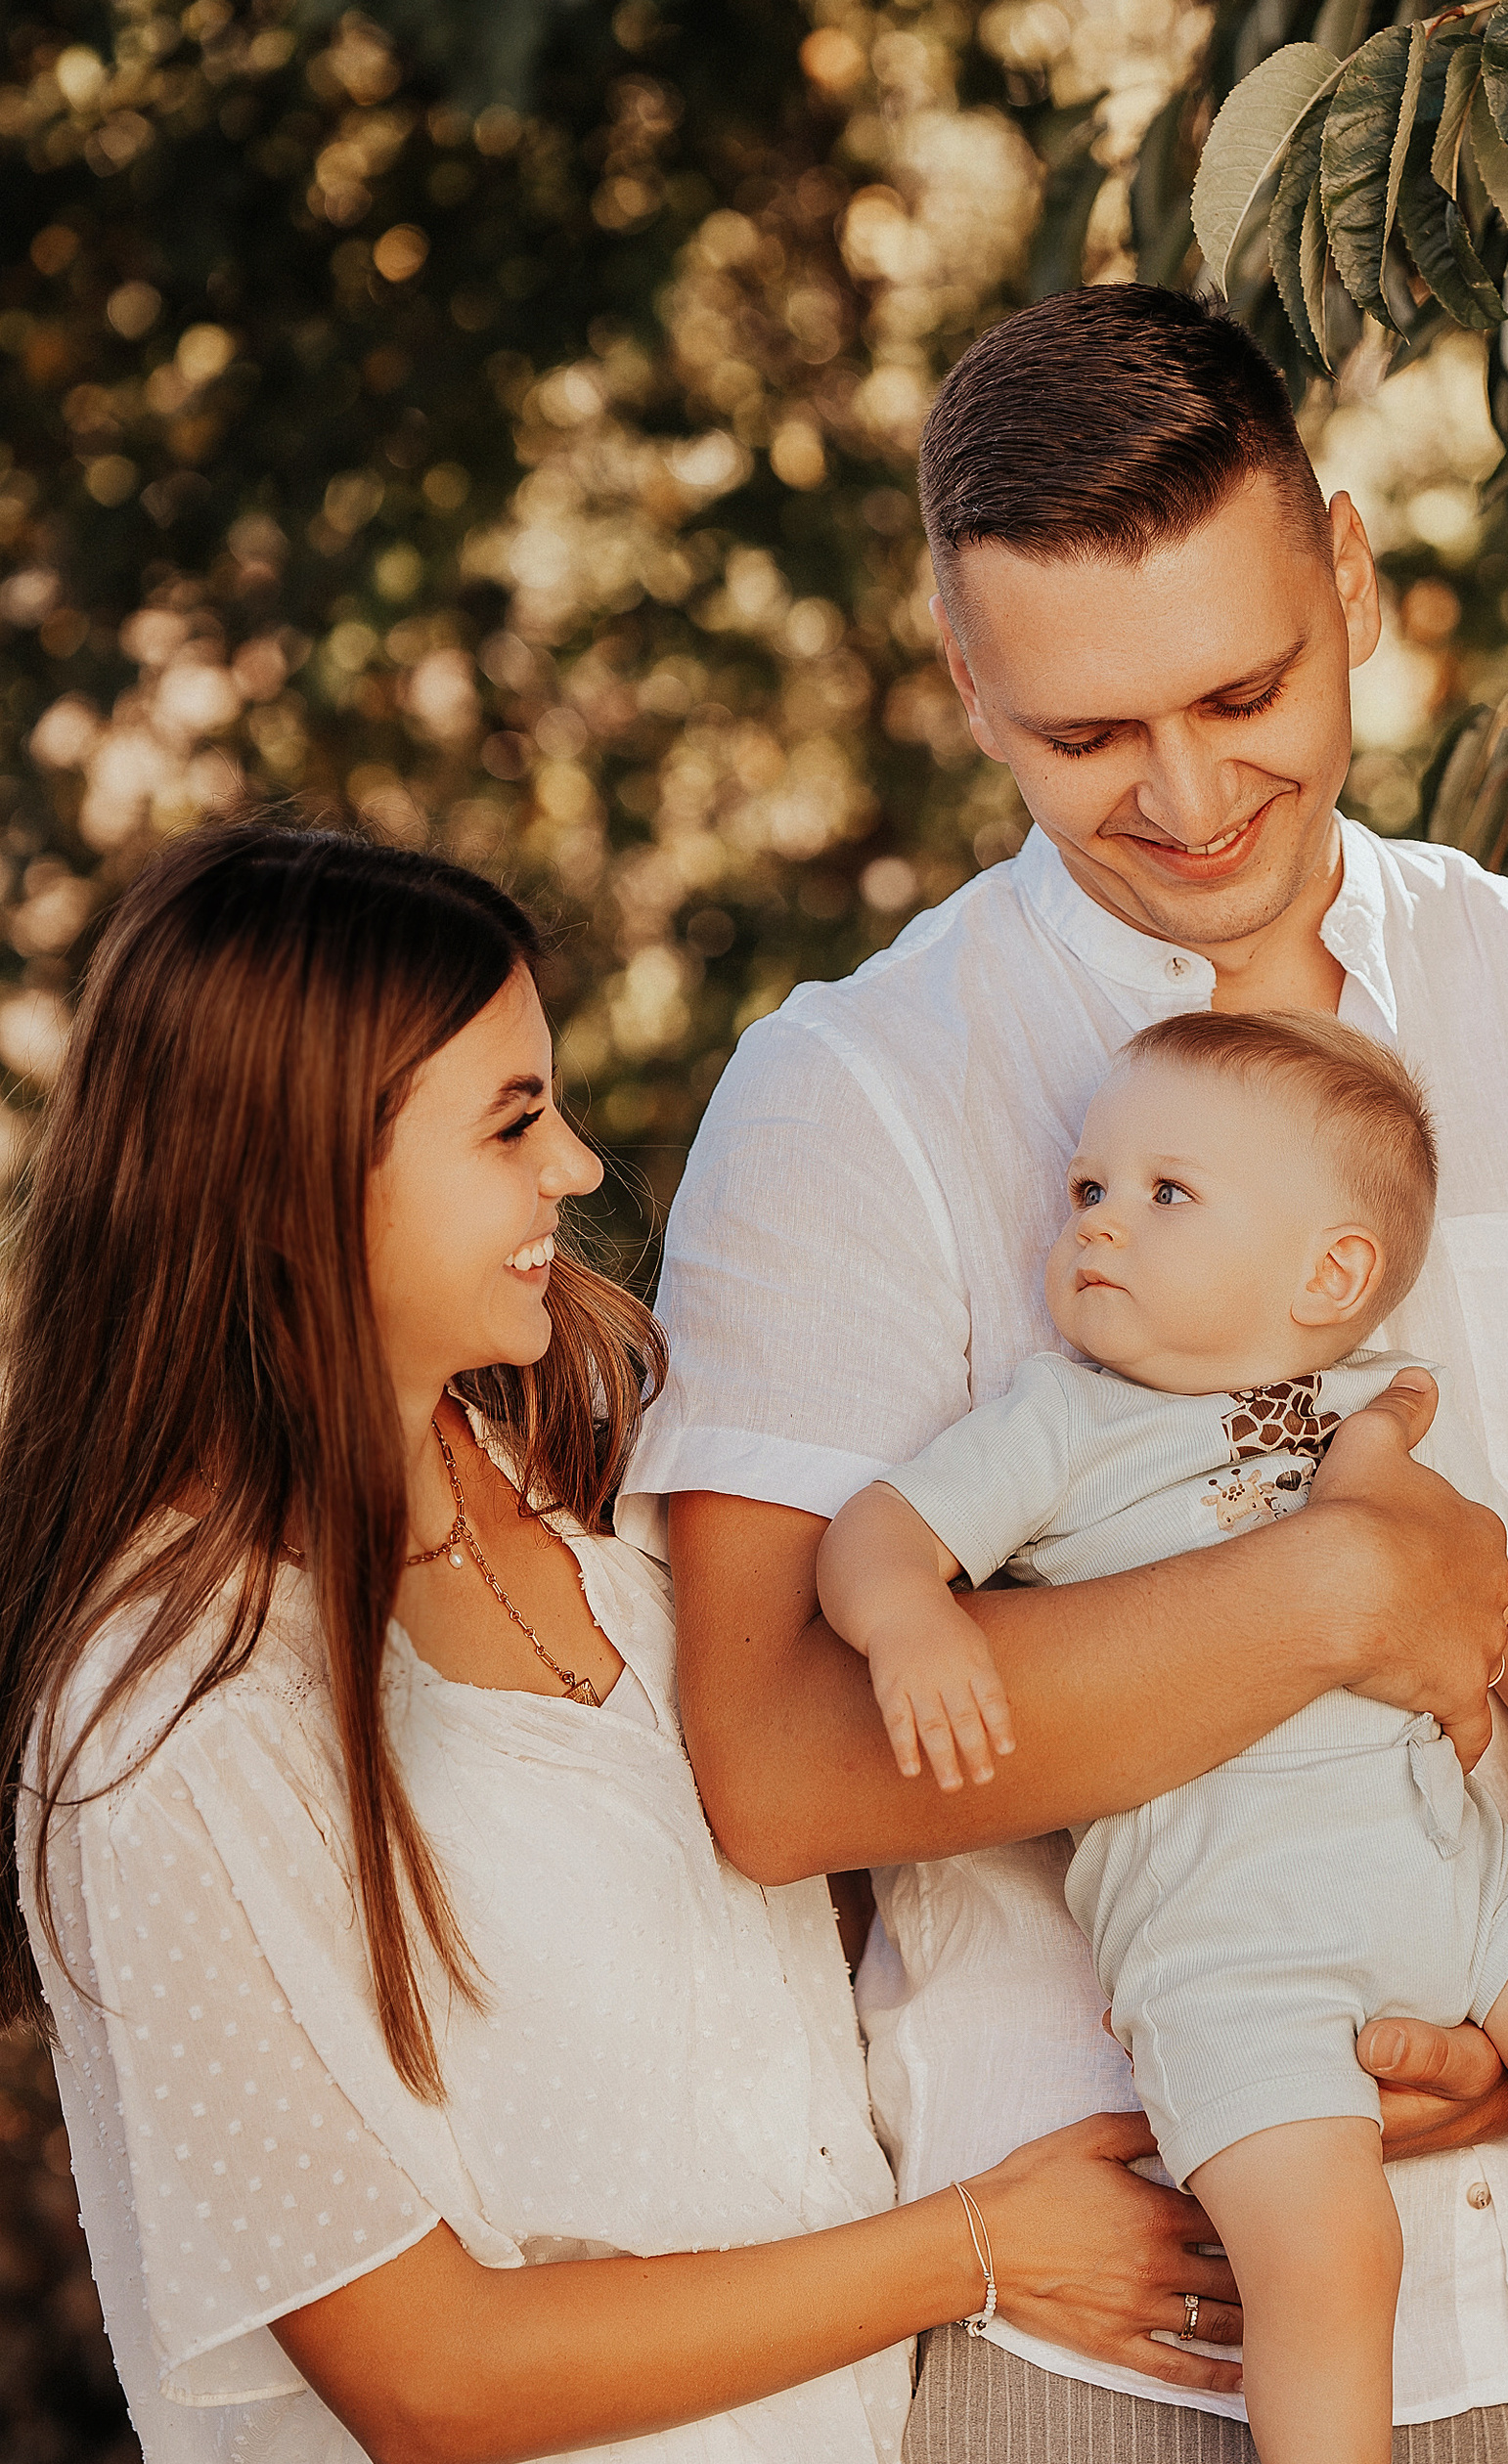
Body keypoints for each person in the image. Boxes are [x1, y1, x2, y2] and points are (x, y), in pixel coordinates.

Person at [624, 283, 1508, 2460]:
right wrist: (1323, 1598)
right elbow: (772, 1758)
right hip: (1135, 2349)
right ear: (964, 674)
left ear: (1347, 571)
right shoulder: (847, 1097)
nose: (1187, 794)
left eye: (1244, 690)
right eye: (1085, 735)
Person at [0, 823, 1248, 2464]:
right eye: (512, 1122)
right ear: (300, 1179)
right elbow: (427, 2378)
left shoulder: (580, 1466)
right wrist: (978, 2248)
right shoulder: (171, 1721)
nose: (578, 1168)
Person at [821, 1007, 1508, 2464]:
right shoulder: (1064, 1423)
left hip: (1456, 1887)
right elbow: (878, 1533)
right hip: (1226, 1949)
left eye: (1165, 1193)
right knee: (1326, 2255)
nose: (1098, 1222)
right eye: (1089, 1189)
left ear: (1333, 1274)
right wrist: (911, 1621)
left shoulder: (1378, 1417)